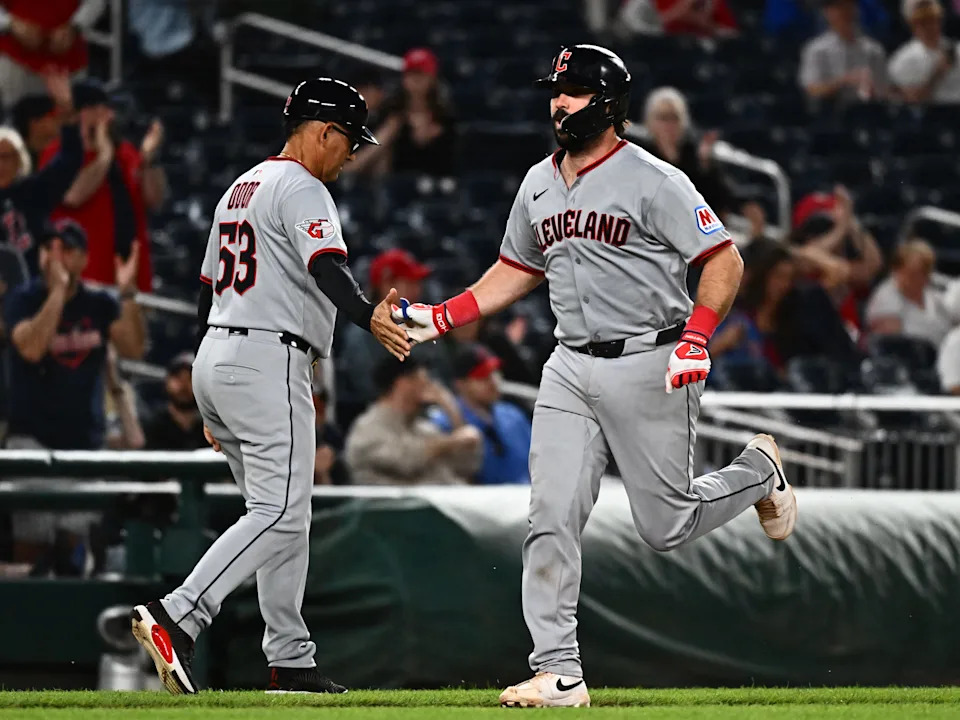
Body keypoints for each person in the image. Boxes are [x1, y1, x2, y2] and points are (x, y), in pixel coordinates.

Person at [394, 44, 797, 708]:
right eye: (555, 89)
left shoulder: (654, 178)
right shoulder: (537, 182)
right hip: (570, 364)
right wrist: (442, 316)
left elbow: (724, 261)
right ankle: (559, 671)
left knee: (666, 527)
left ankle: (759, 471)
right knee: (549, 512)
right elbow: (517, 268)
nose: (558, 101)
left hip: (650, 358)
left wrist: (698, 337)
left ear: (609, 104)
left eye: (574, 91)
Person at [129, 77, 411, 697]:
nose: (352, 153)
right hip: (265, 357)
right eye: (348, 140)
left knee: (286, 516)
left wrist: (214, 390)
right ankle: (179, 616)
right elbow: (326, 268)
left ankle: (290, 659)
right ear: (322, 132)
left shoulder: (241, 186)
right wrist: (369, 316)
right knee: (280, 511)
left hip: (220, 352)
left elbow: (207, 289)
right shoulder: (302, 185)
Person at [3, 219, 145, 450]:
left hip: (87, 440)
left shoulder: (99, 303)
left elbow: (133, 349)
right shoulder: (22, 299)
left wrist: (127, 293)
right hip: (31, 440)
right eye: (48, 248)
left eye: (66, 249)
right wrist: (58, 291)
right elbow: (31, 350)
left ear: (84, 259)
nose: (55, 257)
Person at [40, 79, 165, 292]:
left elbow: (155, 200)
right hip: (86, 282)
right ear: (81, 113)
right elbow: (73, 195)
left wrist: (147, 160)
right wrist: (104, 155)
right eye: (100, 110)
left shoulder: (126, 154)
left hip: (131, 277)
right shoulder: (57, 154)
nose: (110, 117)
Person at [344, 355, 482, 486]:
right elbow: (404, 461)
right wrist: (450, 443)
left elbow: (466, 467)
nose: (431, 387)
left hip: (445, 502)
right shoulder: (368, 427)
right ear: (403, 384)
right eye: (423, 381)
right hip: (395, 507)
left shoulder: (423, 428)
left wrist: (452, 412)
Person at [335, 247, 431, 424]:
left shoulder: (419, 325)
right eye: (410, 283)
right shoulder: (361, 334)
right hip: (383, 422)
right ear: (387, 286)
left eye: (418, 283)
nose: (418, 290)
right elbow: (369, 391)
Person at [0, 72, 83, 276]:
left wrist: (68, 115)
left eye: (7, 157)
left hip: (33, 294)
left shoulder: (33, 192)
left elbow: (70, 158)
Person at [346, 47, 457, 178]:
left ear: (432, 78)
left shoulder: (445, 116)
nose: (416, 80)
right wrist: (391, 131)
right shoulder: (393, 114)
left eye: (421, 74)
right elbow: (368, 159)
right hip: (399, 181)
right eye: (411, 74)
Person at [430, 344, 532, 485]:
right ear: (460, 384)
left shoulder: (513, 415)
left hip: (525, 498)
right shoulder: (444, 422)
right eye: (482, 376)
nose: (493, 381)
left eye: (495, 372)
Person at [635, 87, 735, 220]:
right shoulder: (639, 155)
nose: (669, 125)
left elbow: (721, 200)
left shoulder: (695, 154)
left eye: (674, 118)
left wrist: (706, 168)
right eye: (663, 118)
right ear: (649, 122)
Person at [0, 0, 105, 108]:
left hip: (69, 64)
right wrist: (11, 24)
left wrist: (75, 27)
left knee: (72, 119)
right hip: (16, 64)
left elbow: (96, 2)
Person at [799, 0, 889, 104]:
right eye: (837, 8)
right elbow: (812, 90)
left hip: (869, 110)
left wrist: (873, 88)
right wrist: (844, 81)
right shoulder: (816, 50)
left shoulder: (873, 49)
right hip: (832, 111)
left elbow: (885, 90)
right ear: (826, 13)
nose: (843, 13)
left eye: (847, 7)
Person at [865, 239, 952, 346]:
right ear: (897, 270)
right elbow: (895, 348)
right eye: (913, 274)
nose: (921, 279)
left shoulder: (932, 291)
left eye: (924, 273)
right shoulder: (885, 304)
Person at [888, 0, 960, 104]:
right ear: (912, 24)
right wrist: (937, 74)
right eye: (923, 22)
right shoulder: (902, 60)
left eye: (934, 19)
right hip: (933, 116)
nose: (931, 26)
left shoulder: (957, 49)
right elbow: (911, 101)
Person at [143, 351, 207, 450]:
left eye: (190, 378)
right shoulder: (153, 425)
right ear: (167, 382)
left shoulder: (211, 428)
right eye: (178, 378)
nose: (184, 385)